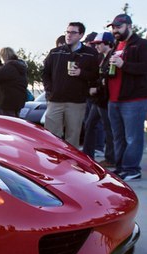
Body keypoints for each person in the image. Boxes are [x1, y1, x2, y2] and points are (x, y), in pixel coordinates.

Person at [42, 22, 99, 149]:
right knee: (51, 136)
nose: (69, 35)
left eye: (73, 32)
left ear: (81, 35)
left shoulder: (90, 53)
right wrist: (50, 90)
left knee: (72, 137)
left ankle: (70, 165)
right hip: (55, 100)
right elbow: (45, 73)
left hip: (76, 102)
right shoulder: (55, 52)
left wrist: (81, 73)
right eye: (67, 32)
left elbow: (95, 75)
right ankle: (51, 163)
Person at [107, 14, 147, 181]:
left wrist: (124, 65)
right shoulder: (117, 45)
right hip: (114, 99)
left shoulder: (142, 45)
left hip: (133, 100)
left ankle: (132, 169)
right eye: (113, 27)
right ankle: (121, 167)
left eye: (119, 27)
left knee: (133, 137)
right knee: (119, 137)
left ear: (129, 26)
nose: (115, 30)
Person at [83, 32, 116, 166]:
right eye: (95, 44)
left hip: (105, 99)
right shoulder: (102, 58)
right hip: (100, 99)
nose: (96, 47)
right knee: (90, 125)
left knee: (108, 129)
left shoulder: (112, 57)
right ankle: (87, 154)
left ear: (107, 43)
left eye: (98, 44)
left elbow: (109, 79)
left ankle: (111, 158)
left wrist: (97, 89)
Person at [0, 47, 28, 117]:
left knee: (6, 124)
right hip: (18, 101)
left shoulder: (10, 67)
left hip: (7, 102)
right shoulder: (19, 66)